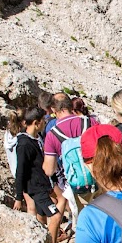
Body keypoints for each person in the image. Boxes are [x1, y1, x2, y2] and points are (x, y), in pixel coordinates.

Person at [13, 107, 63, 243]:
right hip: (36, 188)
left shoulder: (36, 139)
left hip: (43, 184)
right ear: (36, 123)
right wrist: (18, 196)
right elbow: (20, 171)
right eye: (43, 121)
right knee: (54, 215)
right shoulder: (24, 144)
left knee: (42, 217)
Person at [43, 94, 98, 222]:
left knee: (84, 221)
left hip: (77, 185)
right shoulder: (90, 122)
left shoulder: (52, 135)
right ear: (69, 105)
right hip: (99, 178)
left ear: (53, 110)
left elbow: (49, 170)